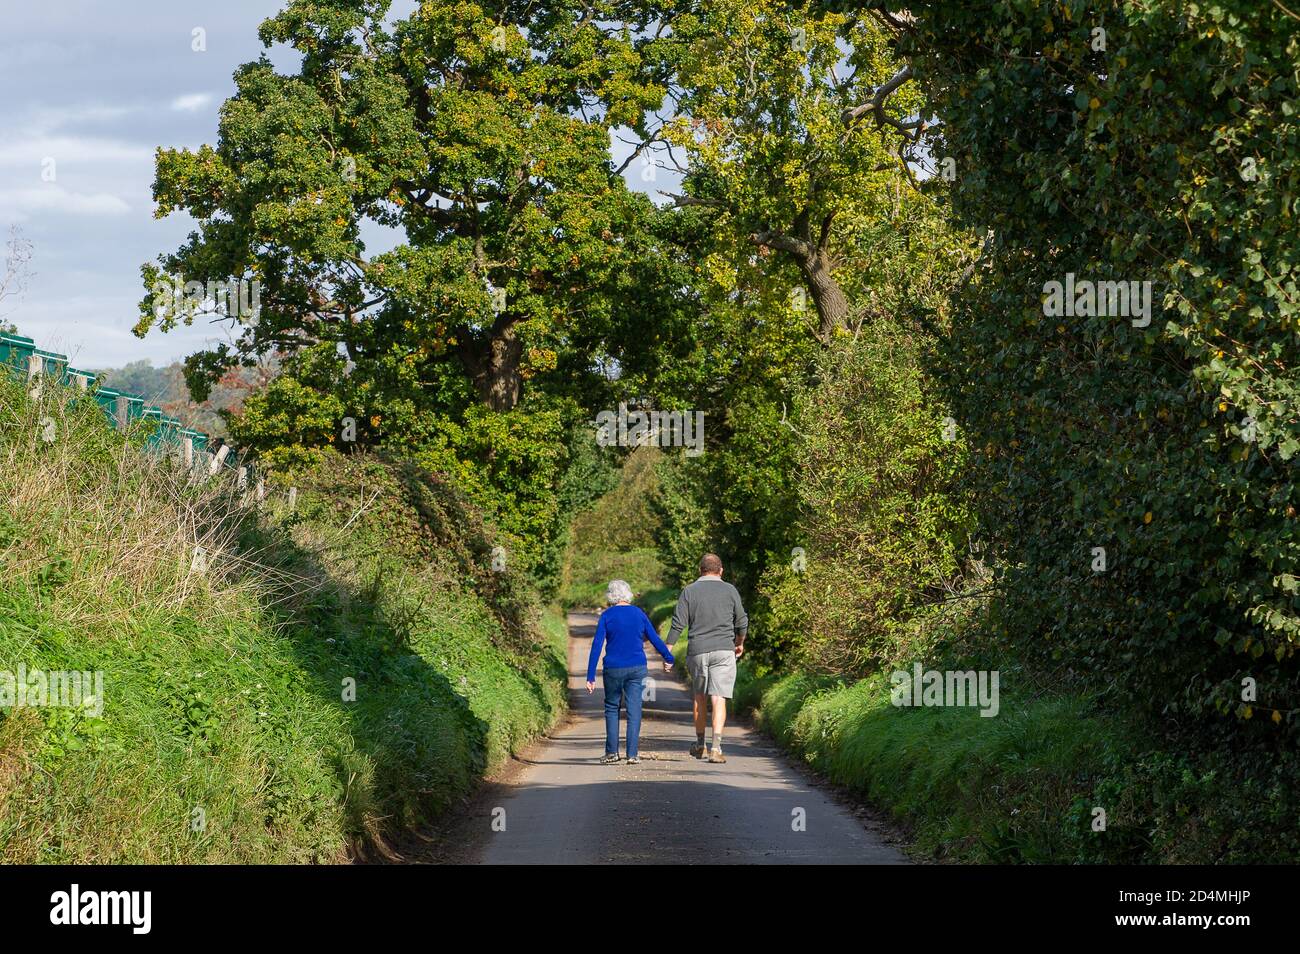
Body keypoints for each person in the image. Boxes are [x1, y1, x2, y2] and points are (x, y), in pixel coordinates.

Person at [665, 553, 748, 764]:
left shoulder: (689, 591)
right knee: (718, 698)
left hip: (698, 650)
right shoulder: (730, 590)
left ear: (700, 570)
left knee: (699, 697)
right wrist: (739, 642)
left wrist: (668, 652)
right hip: (723, 649)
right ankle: (716, 748)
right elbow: (742, 621)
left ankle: (700, 743)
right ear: (721, 571)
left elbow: (678, 623)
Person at [586, 579, 675, 764]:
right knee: (634, 709)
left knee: (612, 708)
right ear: (628, 594)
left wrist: (590, 675)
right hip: (637, 668)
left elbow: (596, 645)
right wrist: (668, 658)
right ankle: (632, 754)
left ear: (610, 596)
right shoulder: (639, 614)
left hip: (613, 668)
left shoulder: (607, 616)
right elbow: (654, 638)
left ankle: (612, 753)